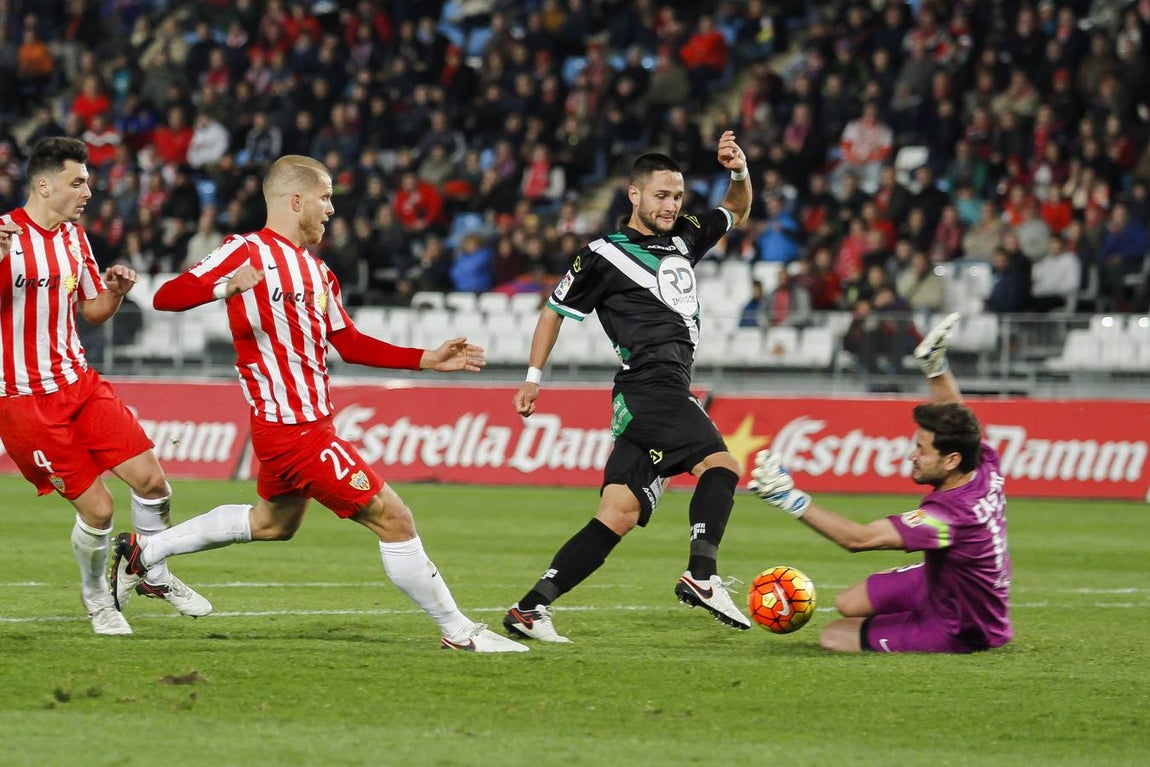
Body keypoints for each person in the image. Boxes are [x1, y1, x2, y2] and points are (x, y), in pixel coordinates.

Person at [114, 155, 527, 653]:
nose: (331, 209)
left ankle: (144, 551)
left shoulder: (318, 273)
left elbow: (350, 343)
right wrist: (227, 286)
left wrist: (428, 359)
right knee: (394, 519)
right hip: (293, 429)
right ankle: (459, 632)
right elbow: (169, 297)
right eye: (325, 198)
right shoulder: (245, 251)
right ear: (296, 201)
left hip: (300, 426)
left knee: (273, 524)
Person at [503, 132, 753, 643]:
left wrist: (739, 172)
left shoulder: (685, 237)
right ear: (634, 195)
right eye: (662, 196)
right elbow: (554, 312)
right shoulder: (603, 254)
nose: (672, 205)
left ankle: (529, 609)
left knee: (616, 513)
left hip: (642, 399)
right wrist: (533, 379)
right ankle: (702, 575)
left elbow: (735, 210)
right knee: (722, 468)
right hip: (652, 386)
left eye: (678, 196)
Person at [0, 137, 209, 636]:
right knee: (99, 509)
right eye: (77, 183)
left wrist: (114, 292)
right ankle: (98, 599)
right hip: (25, 400)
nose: (87, 192)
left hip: (80, 383)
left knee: (153, 483)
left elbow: (91, 309)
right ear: (44, 185)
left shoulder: (75, 237)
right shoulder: (4, 234)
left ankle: (151, 570)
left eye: (88, 182)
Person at [749, 313, 1013, 654]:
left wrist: (788, 497)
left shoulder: (946, 519)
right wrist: (936, 368)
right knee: (848, 602)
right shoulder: (982, 461)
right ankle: (935, 582)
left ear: (951, 461)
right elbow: (954, 414)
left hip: (963, 625)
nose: (911, 456)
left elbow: (860, 539)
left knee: (833, 635)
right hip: (956, 580)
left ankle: (921, 618)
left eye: (921, 450)